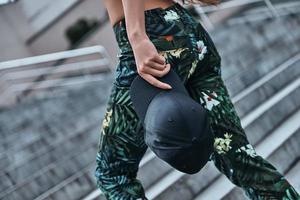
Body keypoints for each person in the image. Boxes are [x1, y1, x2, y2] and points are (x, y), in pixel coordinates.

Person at [94, 0, 300, 199]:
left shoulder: (141, 36)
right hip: (187, 31)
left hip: (152, 39)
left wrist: (137, 37)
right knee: (237, 156)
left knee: (113, 175)